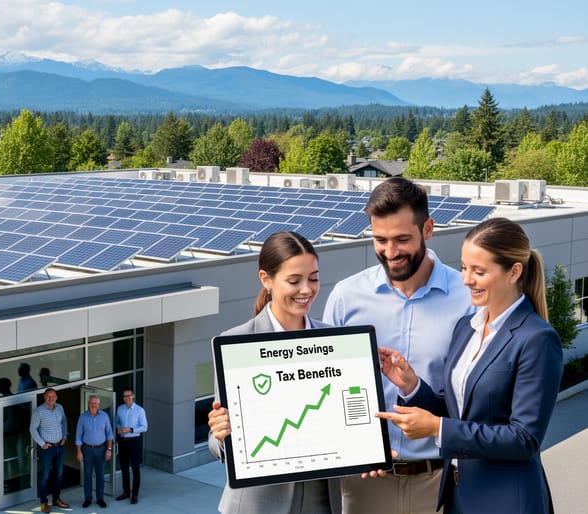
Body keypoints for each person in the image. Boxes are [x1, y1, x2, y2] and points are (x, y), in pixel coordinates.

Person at [376, 217, 563, 513]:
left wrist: (437, 429)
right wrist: (411, 386)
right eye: (464, 268)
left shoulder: (536, 339)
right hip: (461, 496)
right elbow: (459, 412)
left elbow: (524, 438)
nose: (466, 280)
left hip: (507, 500)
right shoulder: (467, 327)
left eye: (479, 271)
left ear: (514, 272)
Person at [322, 177, 474, 514]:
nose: (390, 253)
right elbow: (325, 388)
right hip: (363, 486)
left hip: (437, 485)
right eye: (380, 240)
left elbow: (472, 397)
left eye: (402, 239)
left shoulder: (468, 300)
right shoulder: (346, 298)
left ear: (428, 229)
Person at [207, 231, 340, 514]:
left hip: (322, 503)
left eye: (313, 278)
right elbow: (217, 439)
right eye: (294, 281)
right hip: (256, 505)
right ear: (266, 280)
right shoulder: (237, 343)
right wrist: (220, 435)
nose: (307, 289)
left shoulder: (335, 342)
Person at [29, 388, 69, 513]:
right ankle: (43, 502)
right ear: (44, 397)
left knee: (58, 474)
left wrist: (65, 436)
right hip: (47, 449)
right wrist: (42, 444)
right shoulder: (39, 411)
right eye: (48, 396)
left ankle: (56, 499)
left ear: (56, 397)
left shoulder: (59, 408)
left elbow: (64, 422)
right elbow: (32, 429)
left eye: (53, 396)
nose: (51, 398)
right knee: (45, 476)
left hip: (59, 447)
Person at [76, 395, 114, 508]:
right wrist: (79, 451)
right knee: (87, 475)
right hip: (87, 449)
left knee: (100, 475)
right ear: (88, 404)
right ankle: (88, 498)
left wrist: (109, 449)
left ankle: (100, 498)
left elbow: (109, 434)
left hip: (101, 449)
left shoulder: (104, 416)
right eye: (91, 403)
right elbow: (78, 436)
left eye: (95, 403)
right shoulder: (82, 417)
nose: (93, 405)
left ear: (99, 405)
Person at [115, 387, 147, 504]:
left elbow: (144, 427)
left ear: (133, 396)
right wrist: (118, 428)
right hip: (123, 441)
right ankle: (126, 491)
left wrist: (131, 429)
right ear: (123, 398)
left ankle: (135, 494)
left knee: (135, 468)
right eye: (125, 396)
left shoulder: (140, 410)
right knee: (124, 468)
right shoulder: (120, 409)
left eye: (129, 396)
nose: (127, 398)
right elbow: (117, 422)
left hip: (134, 441)